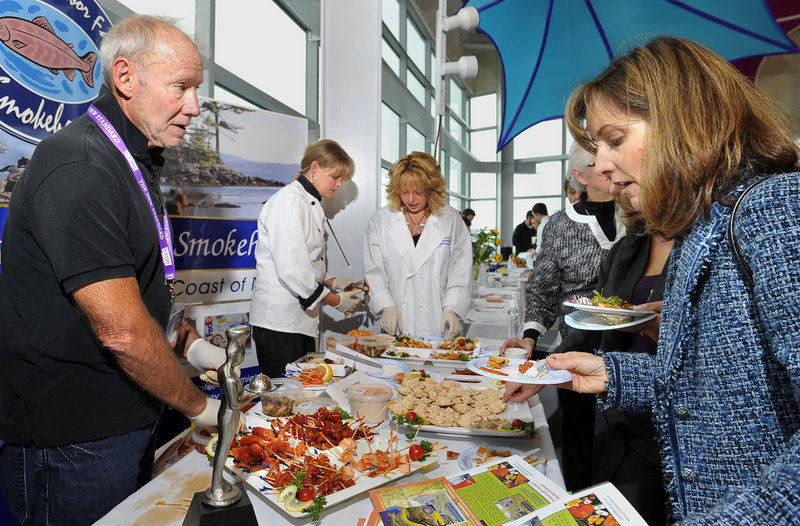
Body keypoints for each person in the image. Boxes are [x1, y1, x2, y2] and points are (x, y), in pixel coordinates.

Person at [537, 36, 800, 522]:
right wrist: (615, 375)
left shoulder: (772, 209)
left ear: (685, 121)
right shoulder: (697, 232)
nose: (601, 164)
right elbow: (719, 387)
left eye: (614, 139)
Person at [0, 16, 226, 524]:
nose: (194, 106)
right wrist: (197, 407)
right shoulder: (82, 163)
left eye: (197, 89)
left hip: (121, 420)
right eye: (182, 87)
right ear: (125, 78)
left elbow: (141, 289)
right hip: (74, 438)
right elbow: (121, 330)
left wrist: (190, 344)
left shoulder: (133, 158)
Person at [505, 194, 674, 525]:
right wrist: (544, 369)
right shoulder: (626, 250)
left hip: (671, 432)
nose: (613, 182)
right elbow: (595, 324)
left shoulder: (706, 245)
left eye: (615, 143)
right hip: (623, 426)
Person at [501, 141, 626, 492]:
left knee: (624, 449)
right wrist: (529, 337)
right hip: (577, 348)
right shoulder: (558, 225)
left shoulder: (637, 213)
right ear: (579, 175)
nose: (608, 166)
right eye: (596, 161)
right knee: (581, 444)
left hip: (631, 351)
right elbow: (543, 289)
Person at [250, 139, 359, 378]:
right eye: (335, 177)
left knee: (303, 395)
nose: (339, 185)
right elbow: (292, 268)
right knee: (285, 399)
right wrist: (336, 301)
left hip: (298, 322)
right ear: (315, 167)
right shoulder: (289, 201)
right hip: (278, 323)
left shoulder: (311, 203)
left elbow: (306, 259)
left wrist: (333, 280)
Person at [364, 152, 472, 339]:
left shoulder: (450, 219)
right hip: (396, 323)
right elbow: (374, 273)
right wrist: (386, 305)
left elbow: (460, 273)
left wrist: (452, 307)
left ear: (431, 188)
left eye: (418, 192)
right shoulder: (381, 221)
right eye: (404, 191)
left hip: (438, 323)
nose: (411, 199)